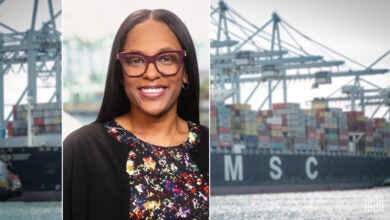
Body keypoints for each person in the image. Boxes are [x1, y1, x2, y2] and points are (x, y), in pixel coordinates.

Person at [63, 9, 209, 220]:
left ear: (185, 72)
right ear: (121, 74)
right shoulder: (81, 149)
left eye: (167, 59)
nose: (151, 73)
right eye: (136, 60)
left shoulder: (209, 147)